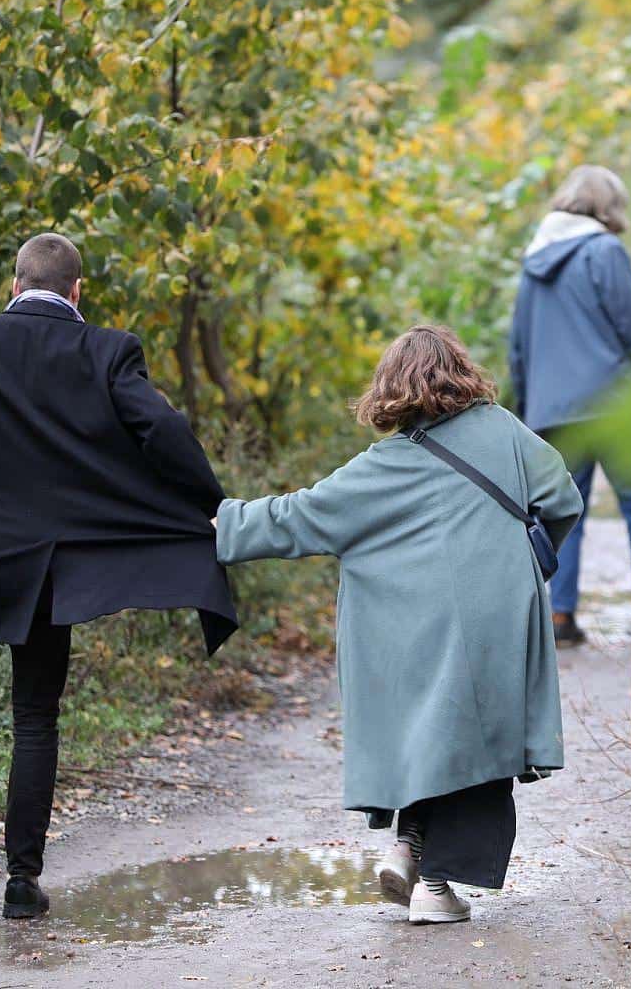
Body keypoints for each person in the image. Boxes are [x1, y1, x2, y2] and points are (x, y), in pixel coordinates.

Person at [0, 233, 236, 919]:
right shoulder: (109, 351)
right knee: (35, 715)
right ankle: (22, 882)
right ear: (78, 291)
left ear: (13, 286)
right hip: (50, 567)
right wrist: (212, 506)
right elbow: (163, 432)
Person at [213, 325, 583, 925]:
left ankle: (408, 849)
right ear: (460, 370)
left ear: (391, 386)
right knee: (474, 744)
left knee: (432, 733)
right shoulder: (504, 430)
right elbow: (562, 499)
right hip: (495, 619)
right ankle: (431, 883)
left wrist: (218, 526)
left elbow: (299, 517)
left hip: (411, 630)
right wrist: (520, 564)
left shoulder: (384, 464)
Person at [508, 164, 631, 648]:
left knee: (562, 515)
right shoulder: (604, 251)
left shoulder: (534, 260)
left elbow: (519, 348)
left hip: (555, 414)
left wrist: (530, 409)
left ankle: (560, 617)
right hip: (615, 406)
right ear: (607, 206)